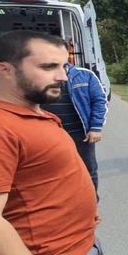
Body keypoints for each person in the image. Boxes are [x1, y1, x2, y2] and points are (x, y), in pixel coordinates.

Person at [0, 30, 110, 255]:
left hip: (79, 253)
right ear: (4, 70)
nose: (63, 77)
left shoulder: (35, 113)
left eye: (63, 66)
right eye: (48, 67)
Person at [42, 64, 108, 195]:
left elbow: (99, 100)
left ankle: (91, 204)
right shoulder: (39, 75)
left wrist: (95, 127)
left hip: (80, 134)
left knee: (88, 170)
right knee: (54, 173)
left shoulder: (85, 75)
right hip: (49, 136)